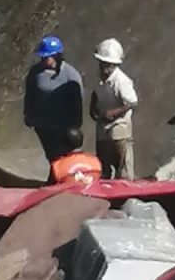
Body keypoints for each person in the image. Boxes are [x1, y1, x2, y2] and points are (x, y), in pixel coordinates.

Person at [23, 35, 84, 166]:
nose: (44, 59)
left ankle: (62, 177)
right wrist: (27, 113)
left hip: (63, 125)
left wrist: (76, 125)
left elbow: (78, 101)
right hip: (43, 124)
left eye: (47, 57)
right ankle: (55, 175)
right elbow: (29, 94)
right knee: (51, 155)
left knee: (63, 154)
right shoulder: (35, 72)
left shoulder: (70, 75)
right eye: (42, 57)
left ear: (57, 56)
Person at [90, 38, 138, 180]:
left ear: (114, 65)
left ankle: (125, 189)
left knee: (122, 164)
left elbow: (132, 102)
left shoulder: (121, 81)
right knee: (102, 161)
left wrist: (115, 112)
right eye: (102, 64)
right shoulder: (100, 76)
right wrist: (93, 105)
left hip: (119, 126)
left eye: (108, 65)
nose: (104, 68)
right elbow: (96, 91)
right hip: (103, 123)